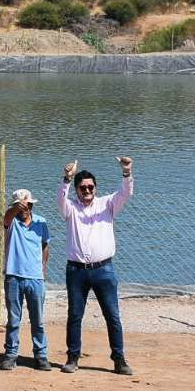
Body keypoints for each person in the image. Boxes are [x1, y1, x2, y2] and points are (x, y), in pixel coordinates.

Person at [57, 157, 135, 376]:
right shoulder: (70, 208)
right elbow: (60, 199)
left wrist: (127, 172)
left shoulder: (107, 204)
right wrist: (66, 178)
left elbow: (126, 193)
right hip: (76, 270)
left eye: (90, 187)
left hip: (104, 270)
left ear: (96, 188)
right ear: (77, 190)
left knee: (112, 315)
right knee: (74, 315)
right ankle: (73, 358)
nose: (87, 190)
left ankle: (119, 359)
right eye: (83, 188)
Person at [0, 188, 52, 371]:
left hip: (35, 278)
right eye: (21, 205)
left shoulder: (41, 222)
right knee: (14, 319)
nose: (25, 208)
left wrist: (43, 269)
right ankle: (11, 354)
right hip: (14, 276)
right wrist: (15, 208)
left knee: (37, 320)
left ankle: (41, 355)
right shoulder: (11, 222)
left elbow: (45, 245)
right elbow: (6, 218)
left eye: (28, 205)